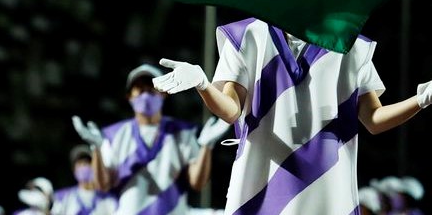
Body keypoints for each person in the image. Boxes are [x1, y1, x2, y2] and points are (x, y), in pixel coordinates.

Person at [154, 18, 432, 214]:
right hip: (261, 182)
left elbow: (373, 119)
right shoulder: (249, 35)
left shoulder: (349, 44)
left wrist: (420, 100)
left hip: (327, 188)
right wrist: (203, 85)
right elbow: (231, 110)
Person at [71, 64, 226, 215]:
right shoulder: (114, 136)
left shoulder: (182, 133)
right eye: (140, 89)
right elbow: (103, 185)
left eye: (151, 89)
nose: (146, 95)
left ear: (164, 93)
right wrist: (96, 149)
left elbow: (197, 183)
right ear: (129, 96)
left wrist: (206, 147)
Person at [50, 146, 117, 215]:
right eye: (79, 164)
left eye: (86, 163)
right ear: (74, 170)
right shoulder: (64, 197)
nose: (83, 166)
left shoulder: (107, 198)